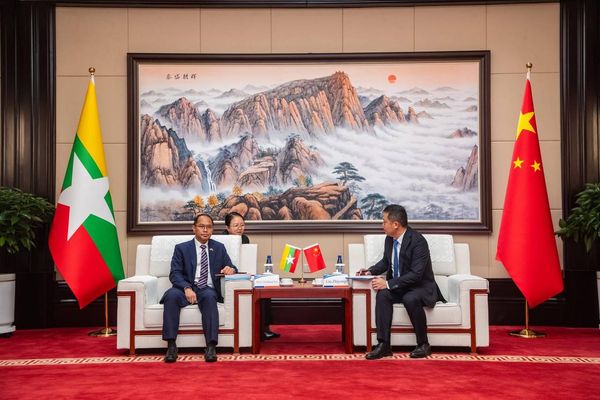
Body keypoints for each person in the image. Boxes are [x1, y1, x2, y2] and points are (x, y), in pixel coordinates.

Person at [357, 204, 445, 360]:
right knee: (383, 295)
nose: (382, 225)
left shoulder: (418, 241)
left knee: (409, 298)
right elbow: (386, 262)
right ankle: (384, 345)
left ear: (395, 224)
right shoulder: (389, 239)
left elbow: (416, 275)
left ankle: (423, 344)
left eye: (384, 221)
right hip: (401, 286)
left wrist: (388, 284)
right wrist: (370, 271)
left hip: (420, 286)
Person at [161, 213, 237, 363]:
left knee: (209, 297)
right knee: (171, 296)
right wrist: (186, 288)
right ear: (194, 228)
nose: (205, 230)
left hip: (206, 288)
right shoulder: (181, 248)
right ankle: (171, 345)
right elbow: (174, 273)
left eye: (209, 227)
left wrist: (230, 269)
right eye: (202, 226)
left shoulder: (219, 248)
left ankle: (211, 346)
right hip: (184, 287)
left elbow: (231, 266)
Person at [223, 211, 280, 341]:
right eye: (236, 225)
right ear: (227, 228)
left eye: (242, 225)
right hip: (228, 278)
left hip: (244, 275)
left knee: (264, 293)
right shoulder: (221, 241)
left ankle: (263, 329)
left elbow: (246, 260)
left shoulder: (244, 238)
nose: (240, 228)